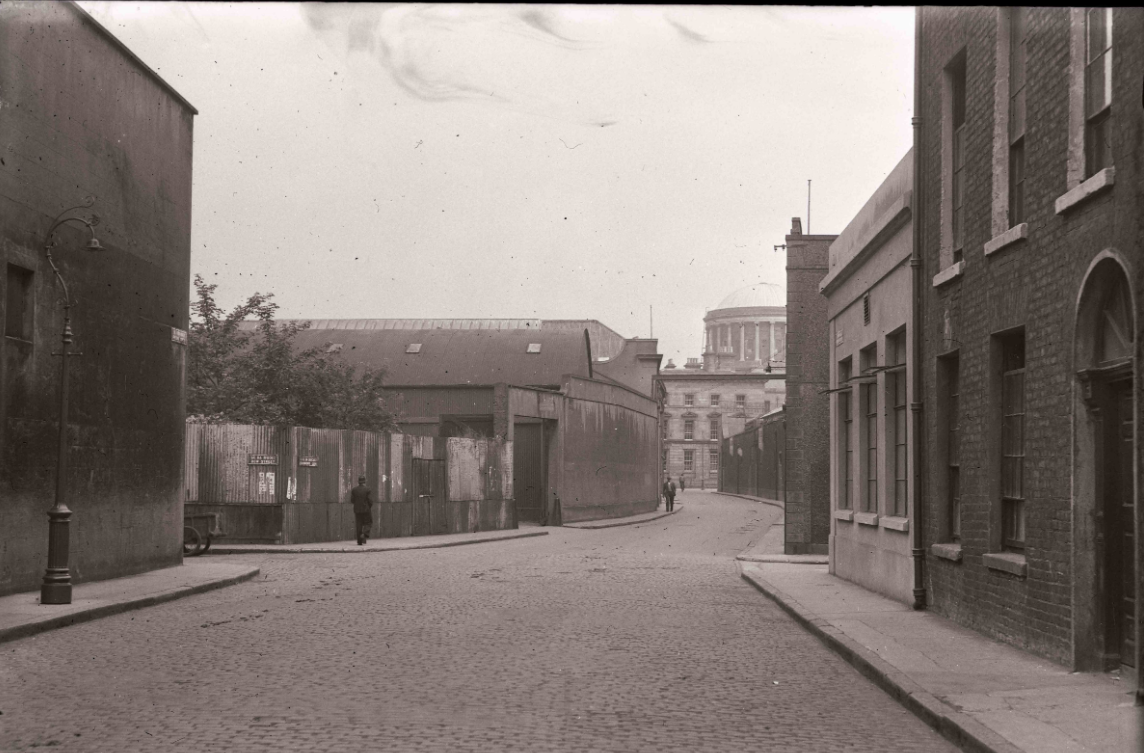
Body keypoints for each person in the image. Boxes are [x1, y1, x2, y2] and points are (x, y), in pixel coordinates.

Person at [350, 475, 374, 545]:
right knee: (368, 522)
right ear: (364, 481)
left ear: (358, 481)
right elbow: (370, 501)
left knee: (359, 525)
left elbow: (352, 500)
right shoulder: (367, 489)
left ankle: (359, 541)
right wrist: (368, 507)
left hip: (357, 510)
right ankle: (364, 534)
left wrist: (357, 504)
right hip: (366, 509)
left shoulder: (354, 490)